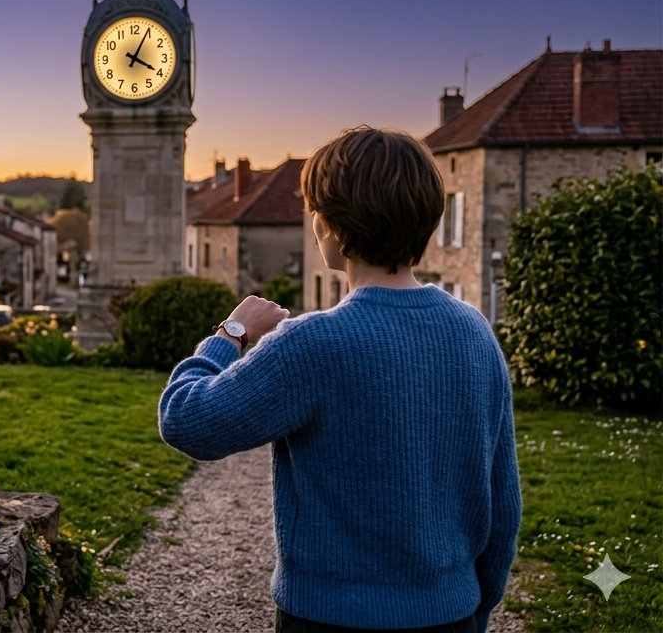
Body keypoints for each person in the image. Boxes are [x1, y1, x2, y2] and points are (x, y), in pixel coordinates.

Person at [159, 127, 520, 633]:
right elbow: (503, 503)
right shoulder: (475, 332)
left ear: (334, 227)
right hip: (450, 614)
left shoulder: (313, 344)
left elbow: (186, 420)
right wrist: (475, 610)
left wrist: (231, 333)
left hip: (328, 619)